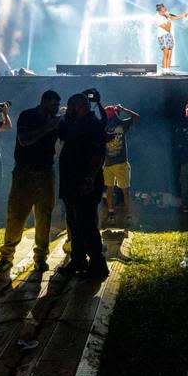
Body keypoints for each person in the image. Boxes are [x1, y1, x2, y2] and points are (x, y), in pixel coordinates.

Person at [0, 91, 59, 273]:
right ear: (45, 102)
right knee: (16, 215)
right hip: (25, 171)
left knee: (44, 216)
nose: (55, 109)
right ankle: (6, 257)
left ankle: (40, 258)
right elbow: (24, 140)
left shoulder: (55, 120)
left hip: (46, 171)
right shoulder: (28, 115)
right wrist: (48, 127)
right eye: (53, 105)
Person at [58, 90, 109, 278]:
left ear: (79, 107)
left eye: (71, 106)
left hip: (84, 183)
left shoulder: (92, 124)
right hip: (72, 182)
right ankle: (78, 260)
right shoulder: (76, 123)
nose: (68, 110)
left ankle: (98, 264)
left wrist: (89, 179)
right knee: (75, 224)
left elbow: (98, 154)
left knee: (86, 224)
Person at [102, 103, 140, 222]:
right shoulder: (121, 124)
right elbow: (136, 117)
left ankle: (111, 214)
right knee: (125, 190)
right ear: (115, 114)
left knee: (109, 190)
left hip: (108, 163)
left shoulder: (102, 126)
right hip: (121, 163)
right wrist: (123, 109)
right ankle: (128, 214)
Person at [155, 3, 188, 73]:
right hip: (162, 36)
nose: (166, 11)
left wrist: (182, 16)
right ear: (159, 11)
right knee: (165, 53)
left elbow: (173, 17)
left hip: (168, 35)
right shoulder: (157, 18)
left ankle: (168, 70)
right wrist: (168, 18)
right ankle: (164, 70)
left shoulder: (165, 15)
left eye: (165, 9)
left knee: (170, 53)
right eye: (164, 11)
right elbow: (167, 28)